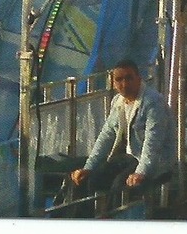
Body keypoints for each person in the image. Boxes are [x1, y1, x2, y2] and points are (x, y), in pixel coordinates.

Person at [70, 60, 173, 208]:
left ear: (139, 79)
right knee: (92, 179)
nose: (124, 84)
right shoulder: (118, 102)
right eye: (119, 79)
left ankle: (117, 223)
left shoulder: (152, 102)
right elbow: (106, 136)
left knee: (120, 186)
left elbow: (153, 143)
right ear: (113, 82)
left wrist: (141, 172)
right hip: (127, 158)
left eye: (129, 78)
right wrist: (88, 167)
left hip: (155, 161)